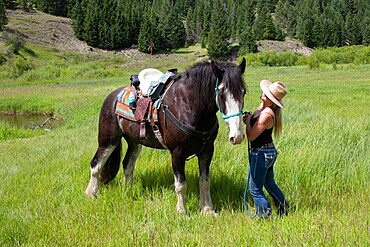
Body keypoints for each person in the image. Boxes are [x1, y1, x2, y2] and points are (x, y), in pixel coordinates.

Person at [243, 80, 289, 218]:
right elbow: (255, 124)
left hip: (260, 154)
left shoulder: (267, 114)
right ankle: (284, 209)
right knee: (269, 184)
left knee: (255, 189)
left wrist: (248, 123)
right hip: (267, 152)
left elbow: (251, 136)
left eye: (267, 94)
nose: (263, 94)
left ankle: (265, 216)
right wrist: (249, 119)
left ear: (271, 100)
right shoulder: (263, 108)